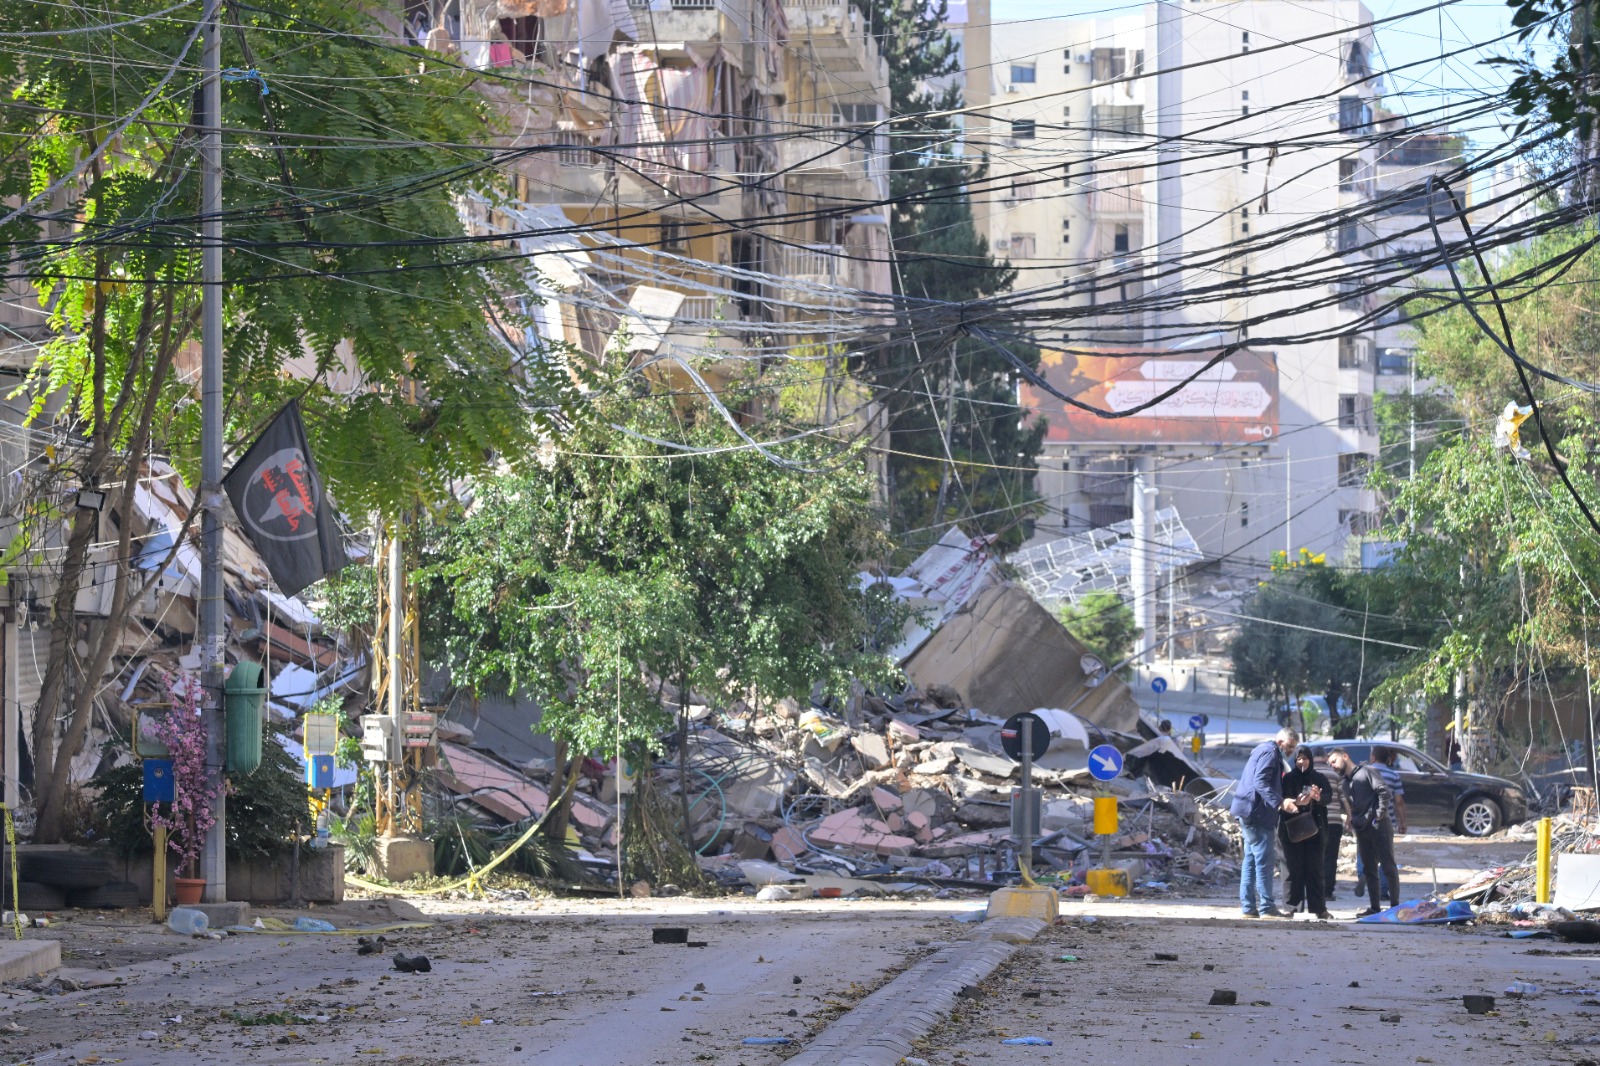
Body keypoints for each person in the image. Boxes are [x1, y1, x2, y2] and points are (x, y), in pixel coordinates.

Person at [1230, 728, 1302, 918]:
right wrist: (1281, 802)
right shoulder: (1270, 753)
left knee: (1251, 860)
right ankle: (1267, 907)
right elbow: (1260, 782)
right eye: (1290, 746)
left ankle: (1248, 908)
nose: (1291, 751)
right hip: (1257, 814)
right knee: (1264, 861)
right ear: (1281, 742)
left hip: (1249, 811)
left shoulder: (1264, 751)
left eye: (1294, 748)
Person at [1328, 747, 1399, 918]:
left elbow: (1384, 792)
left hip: (1379, 826)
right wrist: (1353, 820)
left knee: (1388, 866)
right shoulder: (1346, 783)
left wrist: (1379, 814)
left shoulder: (1367, 771)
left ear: (1345, 756)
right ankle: (1375, 908)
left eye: (1334, 761)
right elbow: (1353, 806)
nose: (1333, 766)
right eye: (1330, 764)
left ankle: (1395, 908)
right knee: (1369, 869)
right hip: (1362, 829)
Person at [1279, 747, 1331, 919]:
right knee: (1292, 869)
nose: (1302, 762)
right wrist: (1297, 802)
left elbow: (1328, 797)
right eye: (1299, 759)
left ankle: (1319, 908)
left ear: (1311, 759)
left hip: (1315, 831)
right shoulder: (1288, 778)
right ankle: (1290, 906)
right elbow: (1281, 799)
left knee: (1315, 869)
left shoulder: (1319, 778)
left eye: (1305, 758)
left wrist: (1317, 798)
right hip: (1292, 830)